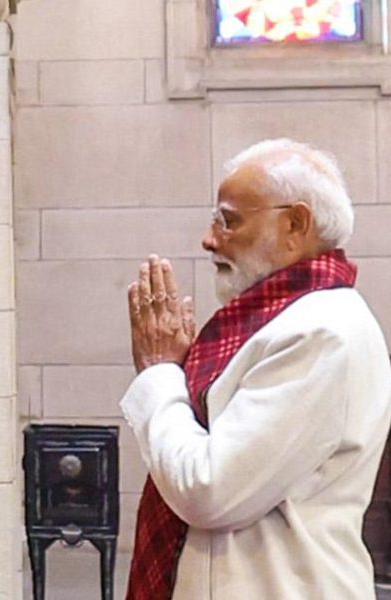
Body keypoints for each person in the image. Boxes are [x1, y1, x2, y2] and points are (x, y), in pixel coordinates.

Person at [122, 138, 391, 599]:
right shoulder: (281, 321)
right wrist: (182, 374)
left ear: (295, 224)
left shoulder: (321, 332)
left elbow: (209, 490)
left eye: (229, 221)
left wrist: (160, 373)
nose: (209, 239)